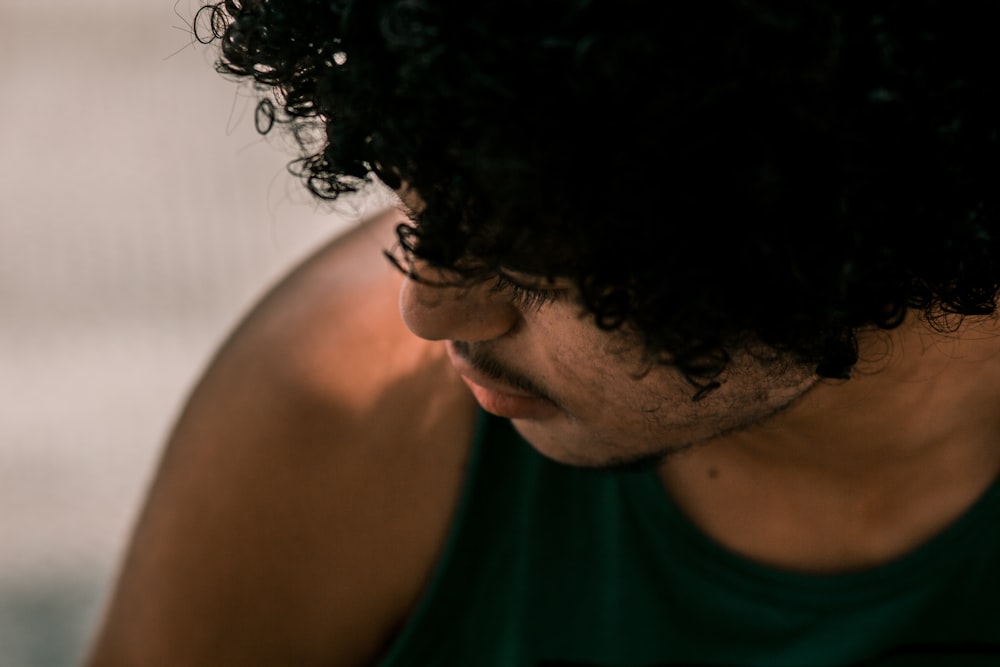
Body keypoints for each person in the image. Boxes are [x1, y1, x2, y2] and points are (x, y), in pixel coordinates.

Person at [87, 1, 1000, 665]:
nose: (428, 310)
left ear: (836, 205)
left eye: (529, 261)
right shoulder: (338, 421)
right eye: (420, 199)